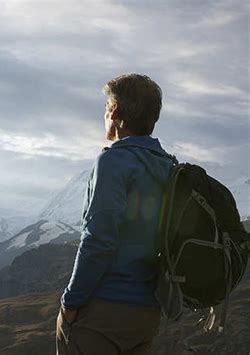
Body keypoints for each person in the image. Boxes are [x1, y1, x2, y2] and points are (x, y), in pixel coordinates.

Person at [56, 73, 174, 355]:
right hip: (146, 313)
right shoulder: (168, 166)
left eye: (107, 105)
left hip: (104, 312)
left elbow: (98, 240)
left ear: (114, 111)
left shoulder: (113, 161)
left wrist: (69, 305)